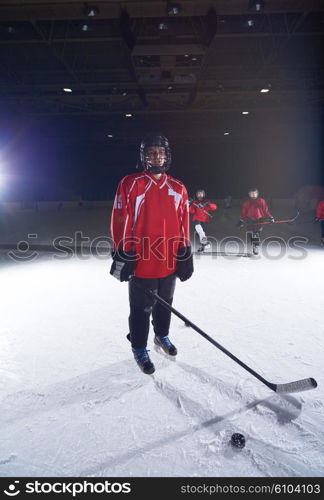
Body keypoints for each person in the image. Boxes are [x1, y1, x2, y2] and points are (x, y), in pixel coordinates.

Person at [110, 133, 193, 374]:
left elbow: (183, 221)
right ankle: (138, 347)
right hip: (141, 259)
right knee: (141, 308)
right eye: (151, 152)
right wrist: (122, 252)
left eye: (160, 152)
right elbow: (119, 218)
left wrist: (185, 251)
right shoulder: (130, 183)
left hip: (168, 258)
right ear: (144, 157)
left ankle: (162, 336)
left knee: (165, 303)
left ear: (167, 156)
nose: (156, 156)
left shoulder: (178, 187)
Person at [238, 188, 274, 255]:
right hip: (250, 220)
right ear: (249, 194)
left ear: (257, 194)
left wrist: (270, 217)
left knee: (256, 233)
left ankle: (255, 246)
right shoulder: (246, 203)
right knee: (250, 234)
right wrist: (241, 220)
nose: (253, 194)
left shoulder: (261, 201)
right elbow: (243, 213)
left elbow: (266, 210)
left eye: (255, 193)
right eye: (252, 193)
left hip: (260, 219)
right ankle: (254, 244)